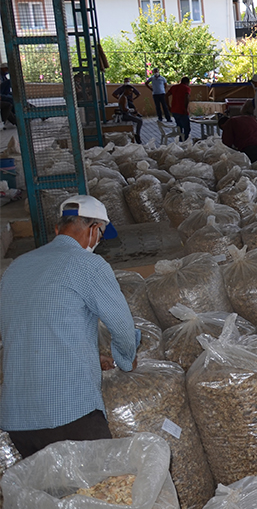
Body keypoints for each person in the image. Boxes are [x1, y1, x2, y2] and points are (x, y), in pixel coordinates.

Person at [0, 195, 139, 458]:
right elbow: (122, 327)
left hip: (18, 419)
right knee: (100, 491)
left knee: (52, 496)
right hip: (68, 412)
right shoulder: (89, 265)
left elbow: (26, 331)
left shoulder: (16, 267)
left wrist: (88, 355)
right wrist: (125, 358)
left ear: (57, 229)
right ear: (94, 230)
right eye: (99, 234)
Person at [111, 78, 143, 143]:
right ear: (126, 90)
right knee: (140, 121)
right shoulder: (123, 97)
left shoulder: (124, 96)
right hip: (124, 115)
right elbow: (124, 109)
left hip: (126, 114)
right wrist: (132, 110)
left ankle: (136, 134)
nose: (131, 92)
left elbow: (138, 93)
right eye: (130, 91)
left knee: (137, 118)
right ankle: (137, 135)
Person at [167, 76, 192, 141]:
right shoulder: (186, 88)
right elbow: (186, 98)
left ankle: (181, 139)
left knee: (179, 126)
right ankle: (185, 140)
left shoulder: (174, 87)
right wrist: (186, 108)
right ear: (187, 82)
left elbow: (166, 96)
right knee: (187, 128)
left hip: (174, 110)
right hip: (182, 111)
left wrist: (168, 106)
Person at [1, 62, 14, 128]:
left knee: (14, 98)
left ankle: (34, 110)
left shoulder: (3, 76)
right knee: (10, 101)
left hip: (3, 93)